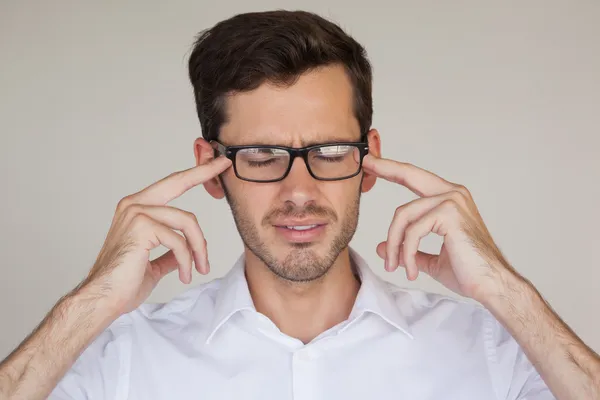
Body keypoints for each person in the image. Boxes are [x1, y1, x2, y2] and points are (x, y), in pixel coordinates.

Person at [1, 10, 598, 400]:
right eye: (261, 154)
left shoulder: (492, 350)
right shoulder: (122, 358)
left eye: (332, 150)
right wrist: (90, 304)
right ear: (211, 168)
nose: (299, 192)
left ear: (369, 160)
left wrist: (507, 292)